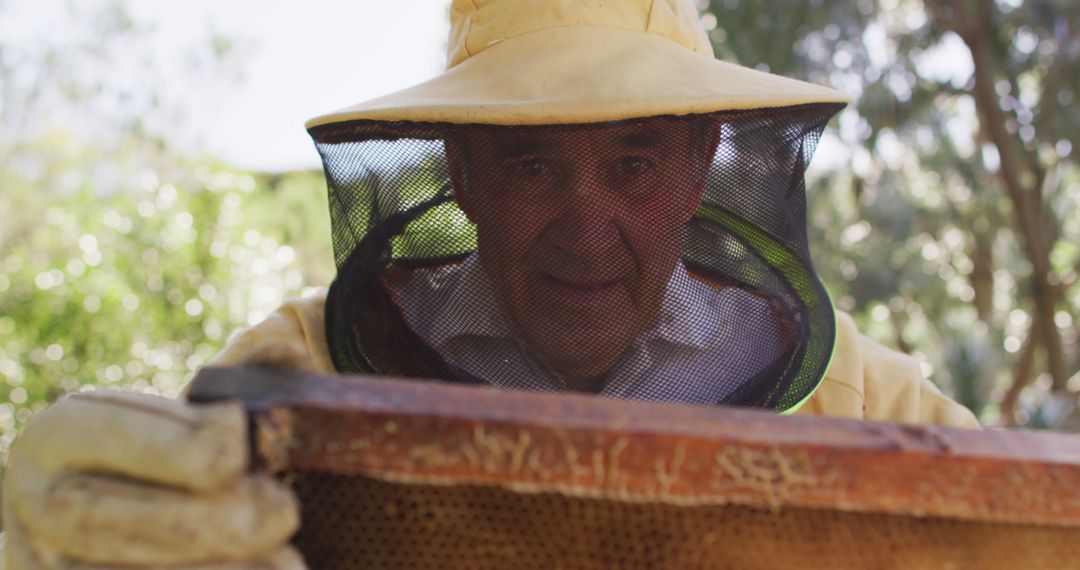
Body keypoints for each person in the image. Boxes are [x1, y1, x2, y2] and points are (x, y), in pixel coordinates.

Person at [1, 1, 980, 568]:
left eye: (633, 163)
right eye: (532, 166)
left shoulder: (872, 400)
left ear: (698, 166)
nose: (586, 225)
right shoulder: (297, 367)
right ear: (462, 175)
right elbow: (163, 518)